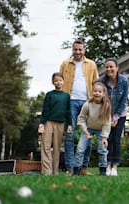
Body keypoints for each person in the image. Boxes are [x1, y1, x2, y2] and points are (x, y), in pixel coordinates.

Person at [59, 39, 98, 176]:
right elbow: (60, 83)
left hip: (87, 102)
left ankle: (83, 168)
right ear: (72, 49)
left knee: (88, 135)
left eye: (80, 49)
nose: (78, 52)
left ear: (84, 50)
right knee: (69, 135)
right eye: (75, 49)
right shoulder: (65, 64)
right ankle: (70, 168)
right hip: (69, 102)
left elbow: (95, 83)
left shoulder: (91, 64)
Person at [98, 58, 129, 176]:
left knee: (116, 140)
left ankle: (114, 166)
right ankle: (107, 165)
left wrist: (115, 117)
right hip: (106, 116)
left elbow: (124, 100)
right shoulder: (101, 81)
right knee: (107, 139)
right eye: (107, 67)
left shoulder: (124, 81)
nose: (109, 69)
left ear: (117, 68)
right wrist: (108, 118)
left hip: (120, 115)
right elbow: (100, 100)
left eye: (111, 67)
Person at [73, 82, 111, 176]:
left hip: (100, 130)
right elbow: (81, 118)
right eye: (95, 91)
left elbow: (107, 123)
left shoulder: (106, 106)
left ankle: (103, 171)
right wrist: (85, 130)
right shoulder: (87, 104)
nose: (97, 93)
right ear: (92, 92)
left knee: (102, 150)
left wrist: (104, 137)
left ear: (103, 94)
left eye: (99, 91)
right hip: (88, 129)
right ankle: (77, 170)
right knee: (80, 149)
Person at [38, 72, 72, 175]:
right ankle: (46, 171)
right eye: (56, 80)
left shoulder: (66, 96)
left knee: (57, 148)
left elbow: (68, 111)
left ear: (63, 81)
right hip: (48, 122)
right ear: (53, 82)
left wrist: (69, 124)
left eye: (60, 80)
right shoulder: (49, 95)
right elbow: (45, 110)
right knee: (46, 146)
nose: (58, 82)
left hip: (60, 124)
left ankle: (55, 171)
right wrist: (42, 124)